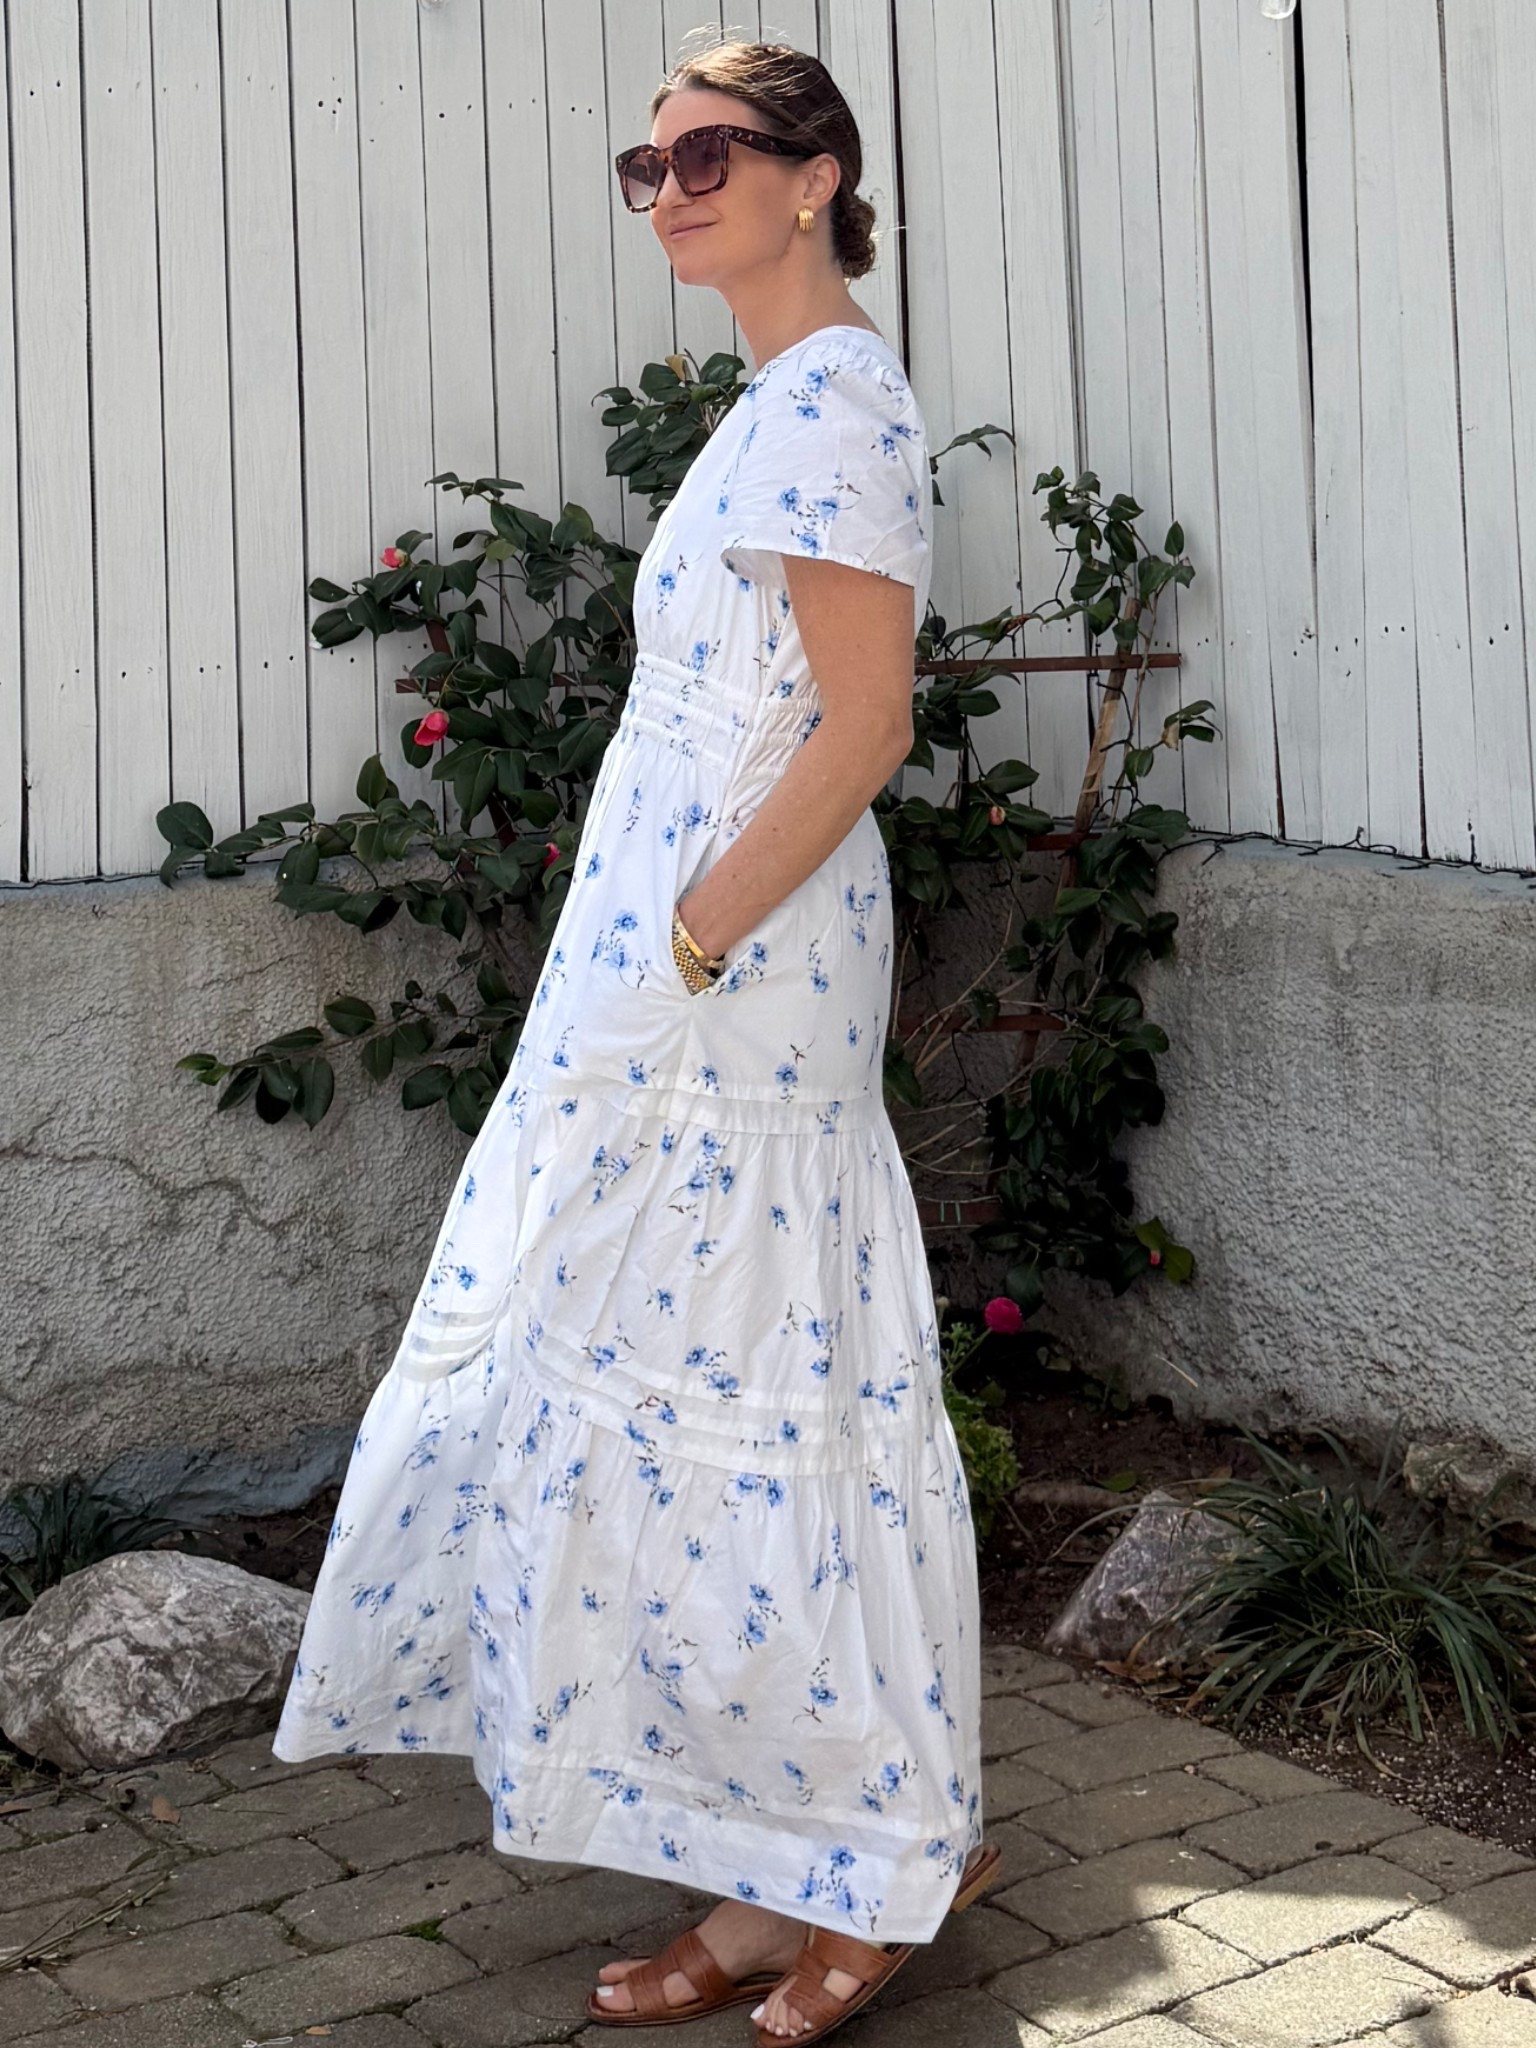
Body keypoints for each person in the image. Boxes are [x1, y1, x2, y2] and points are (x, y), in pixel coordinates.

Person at [271, 36, 996, 2047]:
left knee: (768, 1394)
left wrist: (682, 935)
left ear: (817, 175)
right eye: (646, 163)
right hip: (678, 970)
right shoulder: (776, 400)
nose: (669, 189)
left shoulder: (837, 404)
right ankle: (779, 1868)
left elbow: (864, 728)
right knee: (682, 1390)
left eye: (708, 154)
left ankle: (872, 1855)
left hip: (735, 977)